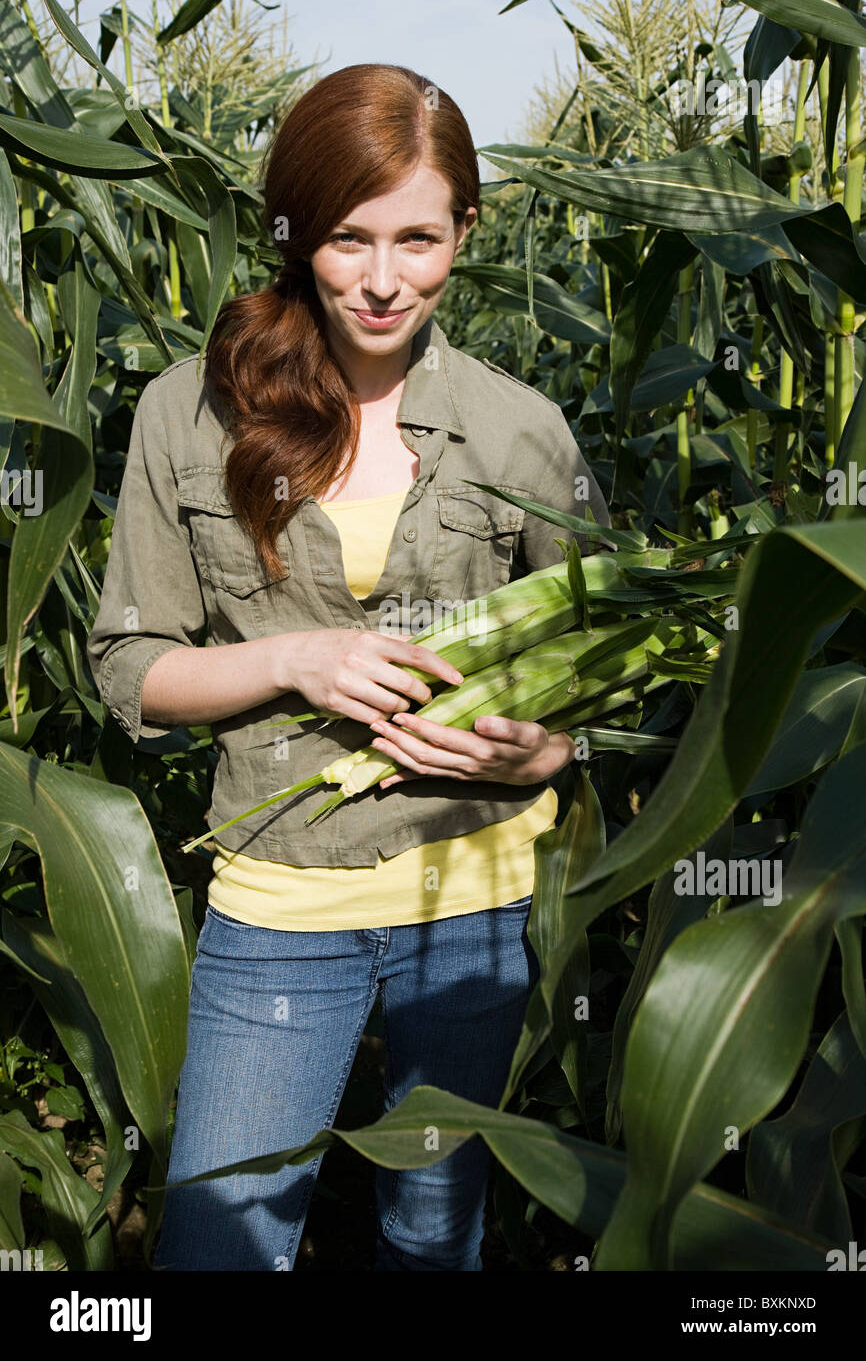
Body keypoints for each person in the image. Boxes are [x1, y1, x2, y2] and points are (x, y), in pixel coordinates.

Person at [86, 62, 610, 1272]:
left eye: (418, 238)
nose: (382, 280)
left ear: (464, 232)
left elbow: (601, 668)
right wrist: (299, 658)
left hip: (470, 909)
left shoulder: (522, 429)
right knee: (219, 1248)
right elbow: (131, 671)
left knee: (434, 1240)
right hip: (278, 905)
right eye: (346, 238)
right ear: (295, 233)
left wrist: (551, 751)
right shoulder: (187, 414)